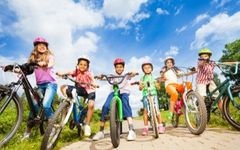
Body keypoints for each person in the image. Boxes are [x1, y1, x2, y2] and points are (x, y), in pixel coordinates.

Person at [92, 58, 137, 141]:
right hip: (114, 92)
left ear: (123, 67)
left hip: (124, 92)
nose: (119, 68)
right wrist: (101, 76)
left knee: (126, 106)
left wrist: (133, 73)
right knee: (105, 107)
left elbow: (132, 74)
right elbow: (105, 78)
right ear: (115, 68)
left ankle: (131, 130)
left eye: (121, 67)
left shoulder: (126, 75)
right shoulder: (112, 75)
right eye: (117, 67)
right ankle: (101, 131)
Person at [23, 36, 58, 139]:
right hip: (40, 85)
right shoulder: (33, 59)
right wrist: (16, 69)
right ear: (36, 47)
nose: (42, 46)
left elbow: (50, 64)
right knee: (34, 106)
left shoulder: (49, 56)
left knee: (46, 105)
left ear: (46, 47)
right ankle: (27, 132)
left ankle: (52, 127)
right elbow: (28, 69)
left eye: (44, 45)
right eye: (39, 45)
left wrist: (45, 63)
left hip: (51, 84)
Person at [56, 57, 96, 137]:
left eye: (85, 65)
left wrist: (94, 83)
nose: (82, 66)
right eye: (81, 64)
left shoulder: (89, 73)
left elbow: (92, 79)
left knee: (90, 105)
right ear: (77, 65)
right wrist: (61, 73)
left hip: (89, 90)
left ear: (87, 67)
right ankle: (68, 102)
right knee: (63, 87)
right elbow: (69, 72)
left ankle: (87, 125)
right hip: (79, 89)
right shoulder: (76, 71)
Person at [139, 62, 165, 135]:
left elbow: (158, 87)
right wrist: (141, 86)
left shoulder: (154, 77)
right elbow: (140, 88)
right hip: (145, 95)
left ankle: (160, 126)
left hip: (153, 94)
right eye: (145, 68)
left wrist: (158, 84)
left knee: (157, 110)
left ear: (152, 69)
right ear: (143, 70)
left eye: (149, 67)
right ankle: (146, 127)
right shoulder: (142, 78)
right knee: (145, 111)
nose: (147, 69)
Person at [195, 48, 222, 113]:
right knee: (202, 97)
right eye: (202, 56)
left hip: (209, 81)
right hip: (201, 81)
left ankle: (224, 113)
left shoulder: (211, 63)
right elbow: (200, 64)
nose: (204, 57)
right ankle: (201, 114)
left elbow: (220, 63)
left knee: (218, 96)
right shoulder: (200, 62)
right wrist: (202, 61)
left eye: (206, 56)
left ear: (209, 57)